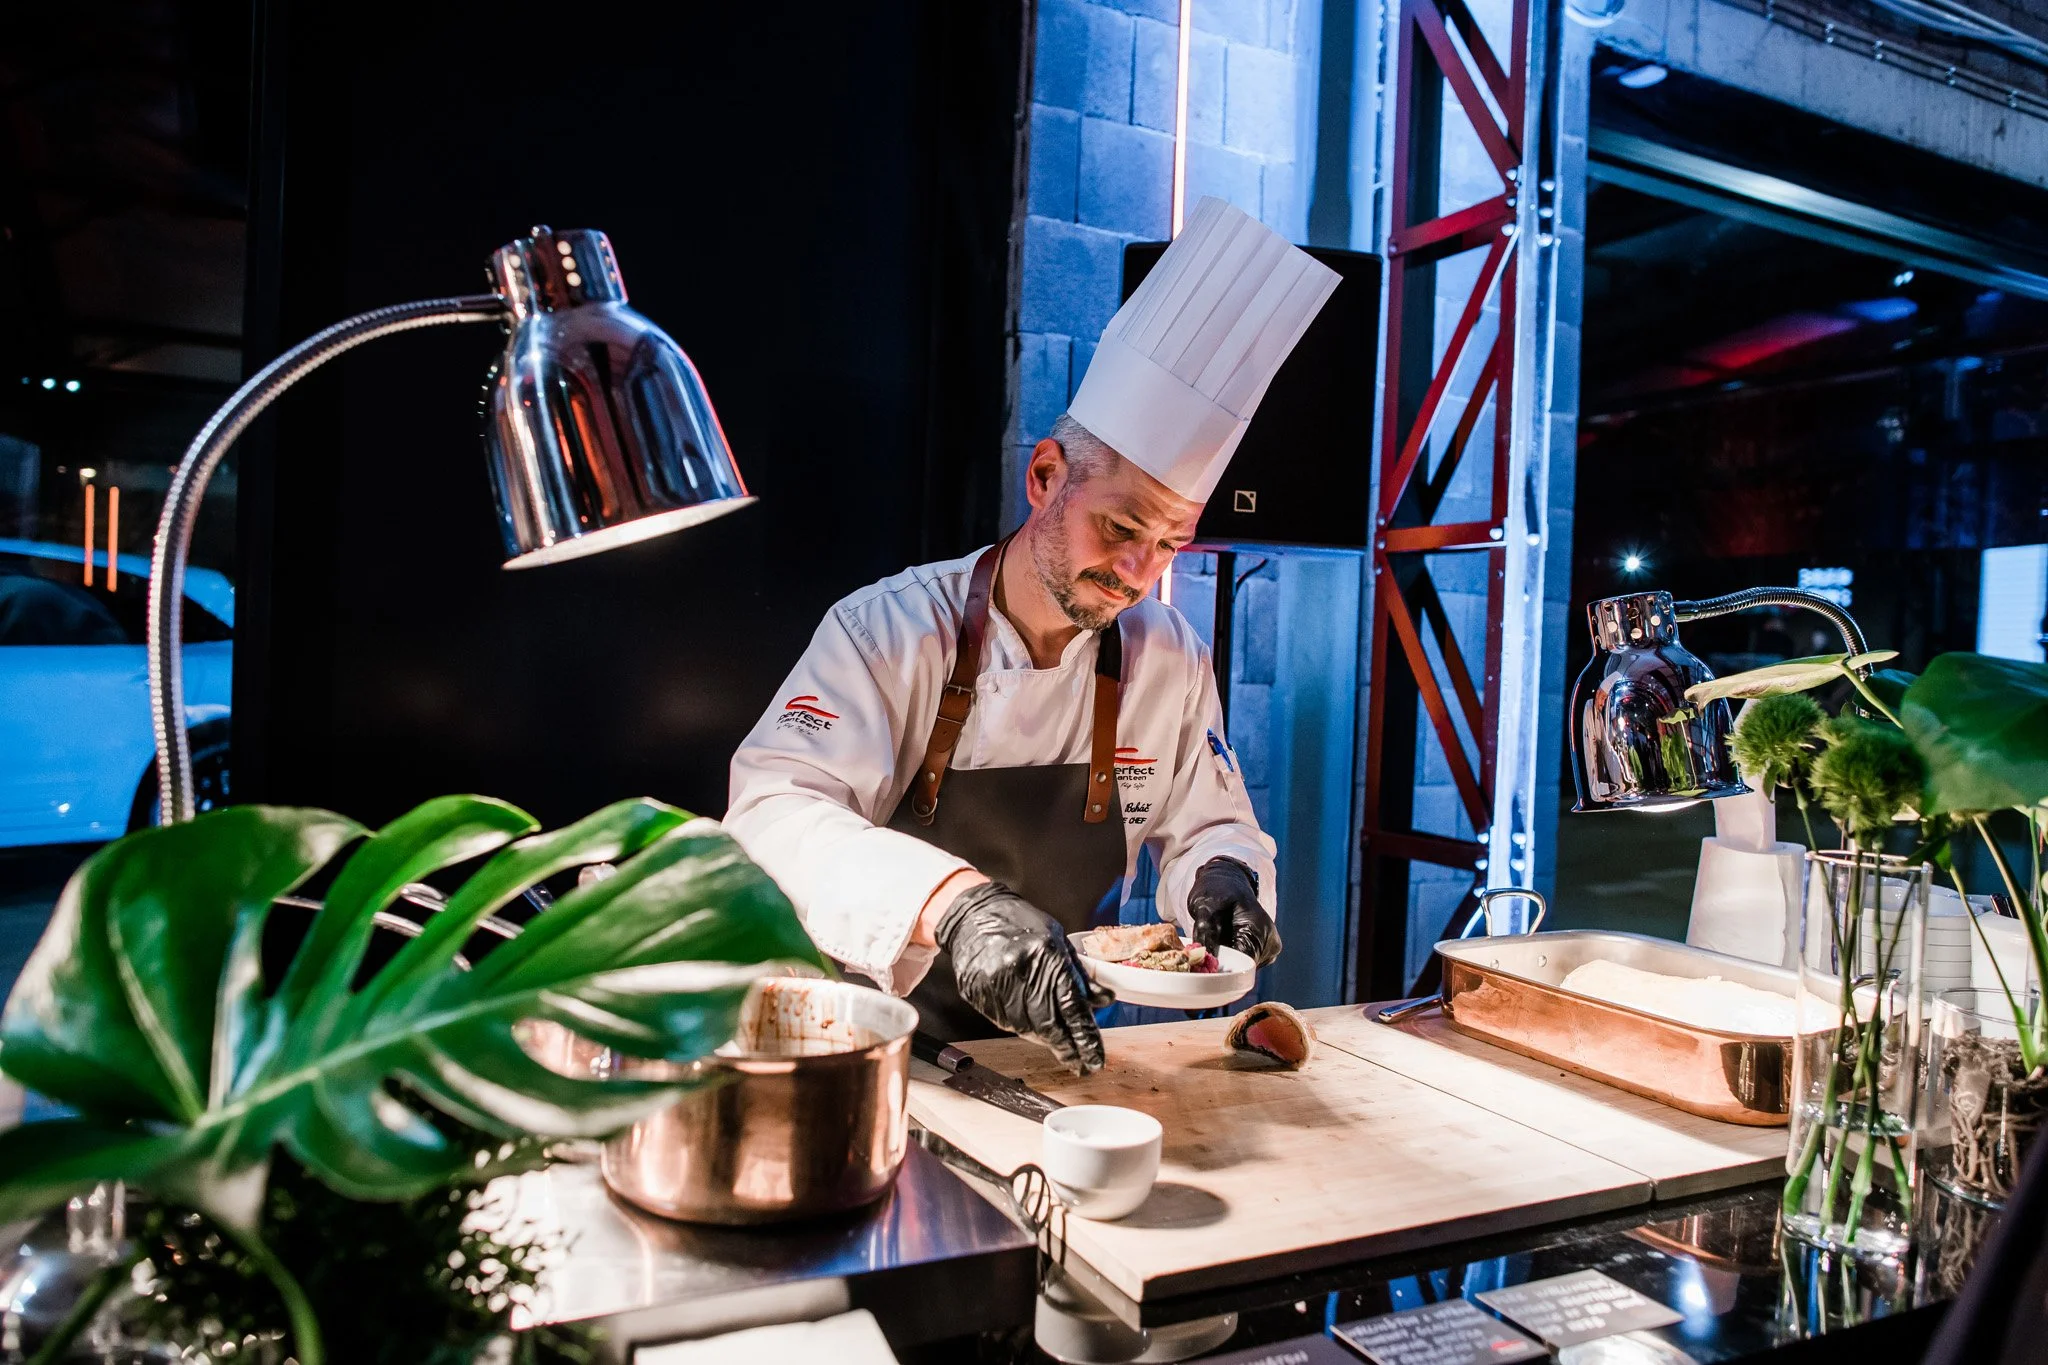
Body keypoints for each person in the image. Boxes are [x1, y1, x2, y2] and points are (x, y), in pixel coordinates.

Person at [726, 198, 1338, 1071]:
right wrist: (955, 904)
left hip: (1063, 1056)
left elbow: (1210, 820)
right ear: (1046, 476)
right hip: (863, 1056)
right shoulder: (887, 631)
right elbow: (771, 813)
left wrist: (1225, 873)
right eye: (1123, 529)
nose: (1139, 572)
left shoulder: (1168, 655)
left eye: (1169, 544)